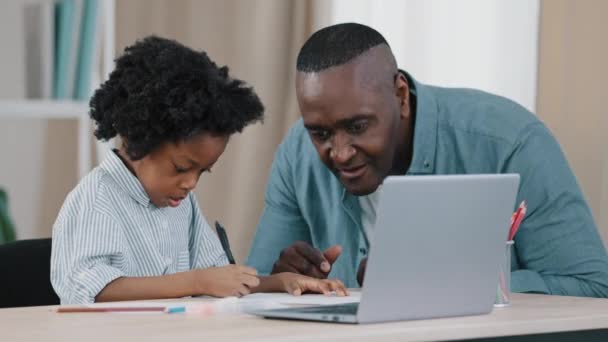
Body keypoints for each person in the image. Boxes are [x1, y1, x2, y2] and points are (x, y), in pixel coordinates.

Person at [247, 23, 608, 297]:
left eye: (357, 126)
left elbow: (592, 287)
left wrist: (435, 286)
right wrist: (280, 282)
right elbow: (251, 290)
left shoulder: (509, 142)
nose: (339, 151)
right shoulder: (297, 151)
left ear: (400, 96)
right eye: (321, 134)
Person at [51, 36, 347, 304]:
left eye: (202, 172)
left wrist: (279, 283)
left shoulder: (181, 203)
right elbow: (92, 288)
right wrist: (194, 281)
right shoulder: (96, 198)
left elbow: (217, 278)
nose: (191, 183)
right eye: (181, 168)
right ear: (139, 139)